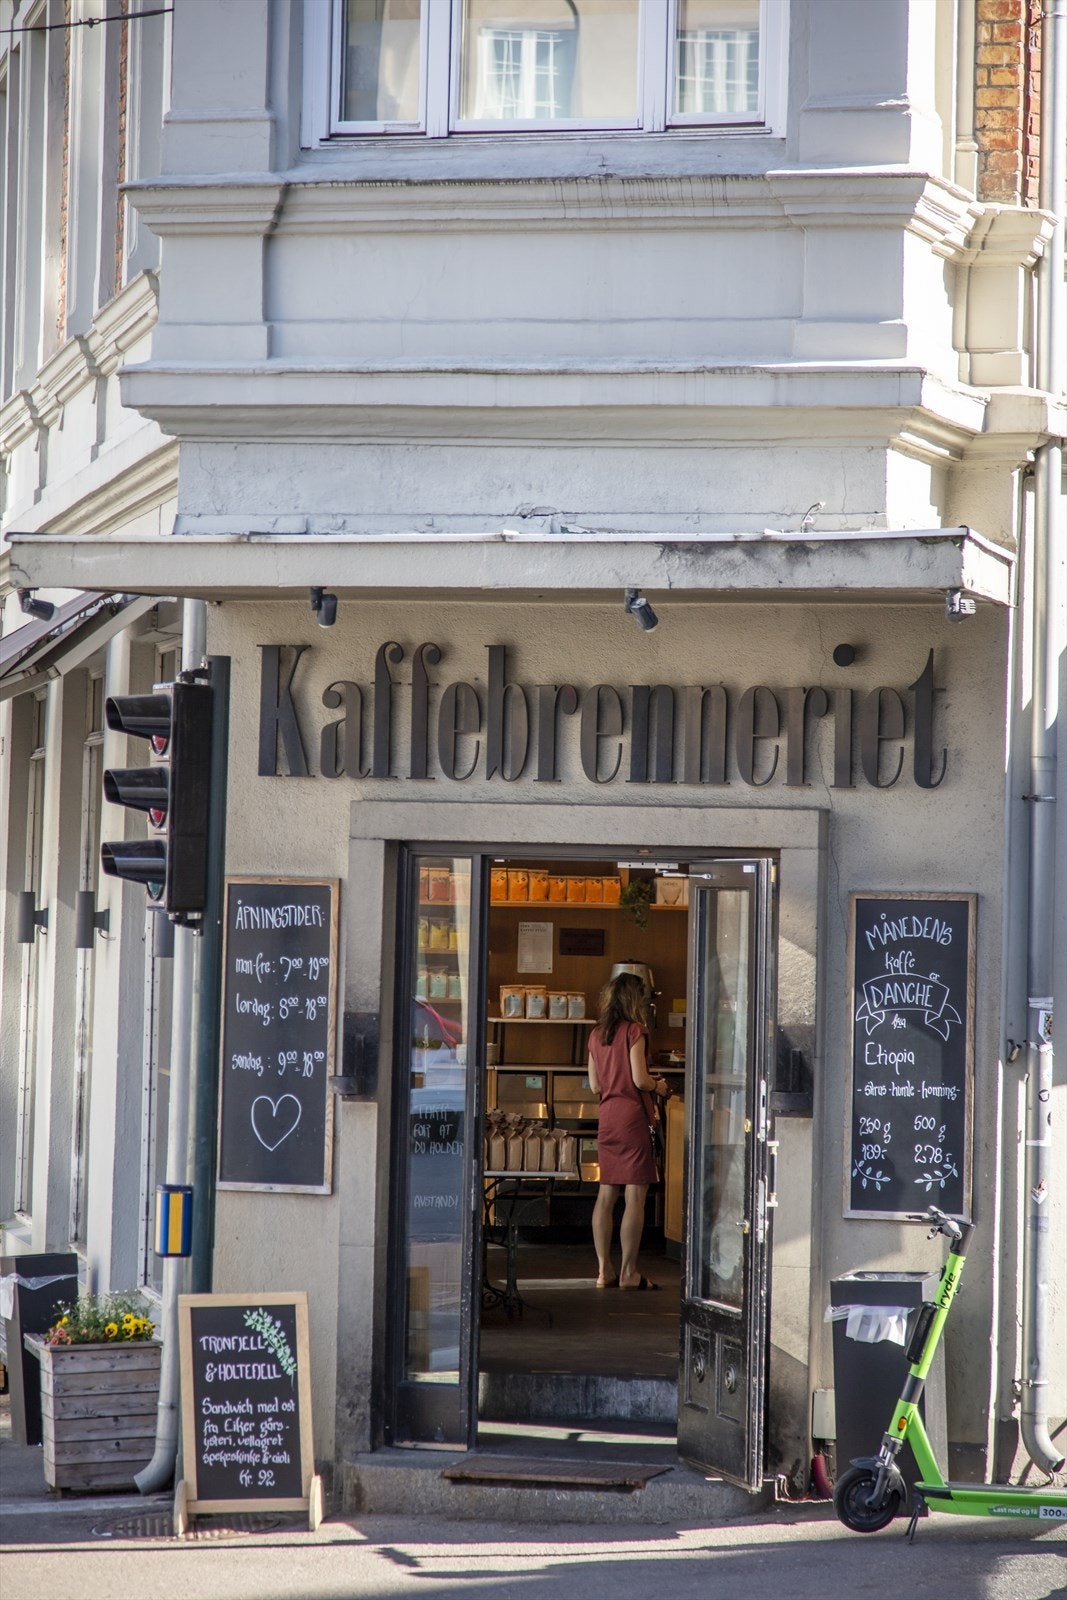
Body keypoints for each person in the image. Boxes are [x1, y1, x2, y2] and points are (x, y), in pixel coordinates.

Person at [586, 971, 670, 1291]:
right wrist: (659, 1087)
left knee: (606, 1194)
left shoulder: (595, 1035)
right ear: (635, 1001)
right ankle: (628, 1273)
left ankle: (602, 1271)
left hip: (607, 1117)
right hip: (633, 1119)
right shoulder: (635, 1031)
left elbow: (595, 1085)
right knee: (635, 1196)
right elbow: (640, 1080)